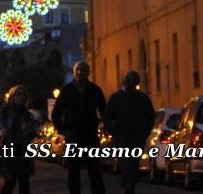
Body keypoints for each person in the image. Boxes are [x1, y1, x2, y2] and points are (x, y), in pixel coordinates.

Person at [52, 61, 107, 194]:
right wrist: (63, 130)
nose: (79, 72)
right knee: (73, 171)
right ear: (74, 71)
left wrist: (104, 126)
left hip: (90, 135)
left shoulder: (95, 90)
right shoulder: (67, 90)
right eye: (77, 70)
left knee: (94, 169)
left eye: (83, 70)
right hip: (72, 135)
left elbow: (104, 110)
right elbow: (56, 113)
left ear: (88, 73)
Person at [103, 71, 155, 194]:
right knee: (126, 166)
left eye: (133, 82)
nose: (130, 84)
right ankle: (126, 188)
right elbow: (107, 117)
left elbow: (151, 117)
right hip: (122, 138)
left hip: (137, 138)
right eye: (128, 81)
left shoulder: (142, 98)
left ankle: (129, 189)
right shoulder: (116, 98)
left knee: (133, 167)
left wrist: (145, 133)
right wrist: (114, 133)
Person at [0, 85, 37, 194]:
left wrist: (28, 131)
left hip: (23, 153)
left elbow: (34, 133)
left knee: (24, 185)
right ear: (12, 96)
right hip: (8, 153)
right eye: (18, 94)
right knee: (10, 182)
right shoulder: (2, 113)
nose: (21, 96)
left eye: (23, 94)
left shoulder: (28, 115)